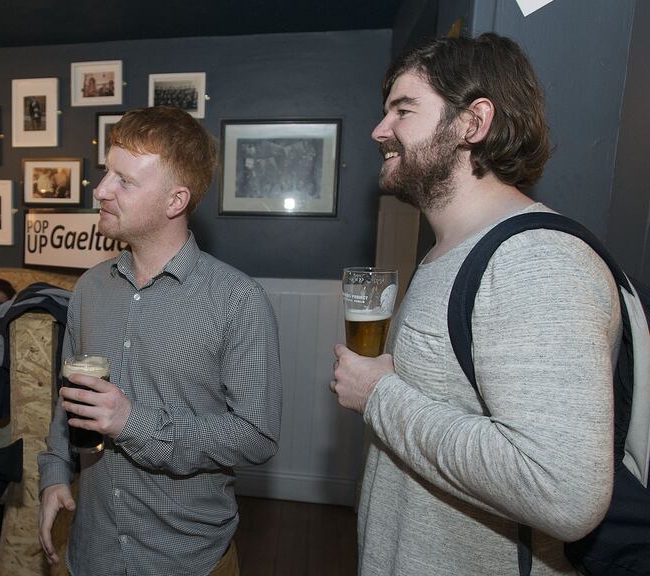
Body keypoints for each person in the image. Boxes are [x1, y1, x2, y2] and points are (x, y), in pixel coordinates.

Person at [331, 34, 619, 575]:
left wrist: (379, 395)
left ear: (473, 123)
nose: (379, 129)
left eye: (403, 109)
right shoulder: (449, 251)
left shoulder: (536, 262)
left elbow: (563, 491)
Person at [37, 106, 282, 576]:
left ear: (175, 201)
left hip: (186, 558)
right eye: (107, 172)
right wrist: (53, 475)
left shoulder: (238, 299)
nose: (101, 190)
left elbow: (257, 435)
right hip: (92, 551)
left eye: (124, 181)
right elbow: (68, 400)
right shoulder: (89, 287)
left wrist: (135, 422)